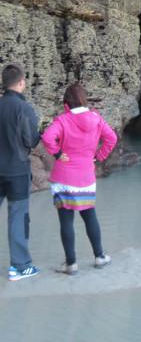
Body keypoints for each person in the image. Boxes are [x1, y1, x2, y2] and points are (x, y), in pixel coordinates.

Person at [41, 83, 117, 275]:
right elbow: (112, 139)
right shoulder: (96, 118)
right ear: (85, 100)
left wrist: (57, 154)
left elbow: (47, 138)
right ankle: (100, 257)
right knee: (90, 216)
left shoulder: (62, 120)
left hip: (64, 178)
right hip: (86, 177)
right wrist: (99, 156)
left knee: (66, 221)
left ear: (66, 105)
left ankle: (71, 264)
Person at [0, 61, 40, 281]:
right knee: (17, 217)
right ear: (22, 82)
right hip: (16, 171)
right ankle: (20, 266)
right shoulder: (24, 108)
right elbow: (31, 140)